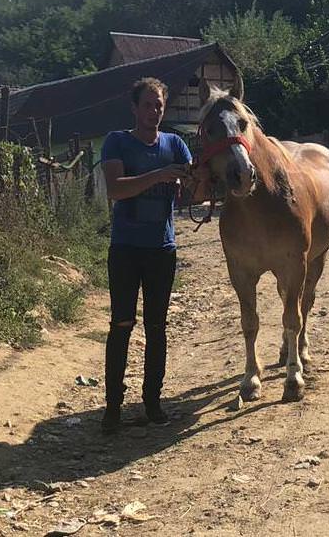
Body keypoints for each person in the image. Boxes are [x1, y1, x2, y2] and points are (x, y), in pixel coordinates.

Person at [99, 77, 192, 434]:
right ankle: (112, 408)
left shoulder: (176, 144)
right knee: (121, 325)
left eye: (160, 105)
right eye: (149, 104)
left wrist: (189, 186)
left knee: (157, 328)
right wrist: (159, 176)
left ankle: (152, 403)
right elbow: (116, 190)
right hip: (125, 249)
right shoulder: (117, 142)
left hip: (161, 250)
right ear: (135, 108)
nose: (155, 111)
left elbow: (191, 193)